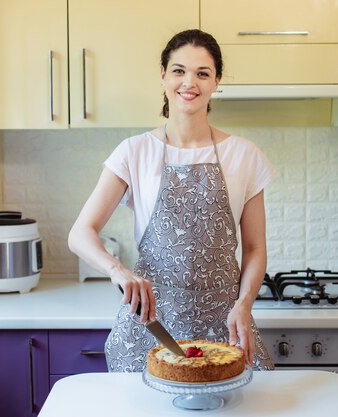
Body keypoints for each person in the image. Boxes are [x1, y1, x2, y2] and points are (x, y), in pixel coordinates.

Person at [68, 29, 275, 372]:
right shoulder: (134, 152)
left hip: (225, 327)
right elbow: (80, 233)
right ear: (163, 75)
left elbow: (254, 248)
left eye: (202, 73)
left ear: (216, 81)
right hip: (152, 327)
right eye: (179, 70)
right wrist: (118, 270)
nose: (189, 82)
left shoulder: (244, 155)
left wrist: (245, 304)